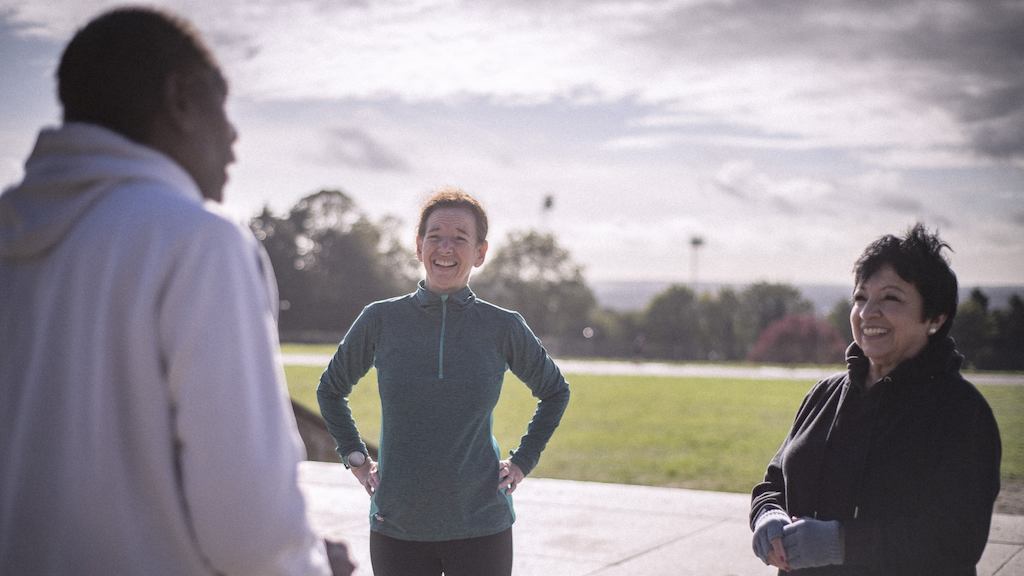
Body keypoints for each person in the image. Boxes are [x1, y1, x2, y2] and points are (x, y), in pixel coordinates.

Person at [0, 7, 353, 575]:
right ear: (182, 99)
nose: (235, 138)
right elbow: (250, 532)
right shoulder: (199, 242)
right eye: (223, 107)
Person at [317, 187, 571, 576]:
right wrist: (354, 456)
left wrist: (523, 461)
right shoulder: (380, 320)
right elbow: (331, 389)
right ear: (419, 247)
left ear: (481, 253)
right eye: (435, 236)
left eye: (460, 238)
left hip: (482, 525)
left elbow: (555, 391)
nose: (445, 248)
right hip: (397, 526)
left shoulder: (503, 326)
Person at [749, 224, 1001, 575]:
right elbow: (774, 482)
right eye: (861, 297)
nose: (868, 313)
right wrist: (768, 514)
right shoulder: (824, 395)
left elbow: (958, 539)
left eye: (891, 298)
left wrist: (841, 543)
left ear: (935, 318)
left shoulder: (961, 411)